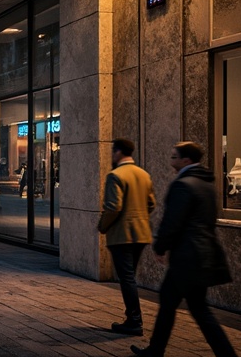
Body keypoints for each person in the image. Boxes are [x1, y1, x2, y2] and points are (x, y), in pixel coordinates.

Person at [131, 142, 236, 357]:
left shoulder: (183, 185)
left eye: (174, 157)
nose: (171, 161)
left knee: (172, 303)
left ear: (185, 160)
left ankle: (155, 350)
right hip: (202, 254)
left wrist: (160, 246)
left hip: (187, 257)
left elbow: (173, 221)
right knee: (197, 308)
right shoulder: (206, 184)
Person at [98, 138, 156, 336]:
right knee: (130, 276)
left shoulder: (115, 176)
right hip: (141, 233)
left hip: (122, 235)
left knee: (127, 278)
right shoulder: (144, 174)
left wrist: (102, 226)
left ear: (118, 152)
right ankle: (133, 318)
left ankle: (134, 320)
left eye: (113, 152)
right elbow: (151, 204)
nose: (112, 156)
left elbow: (113, 207)